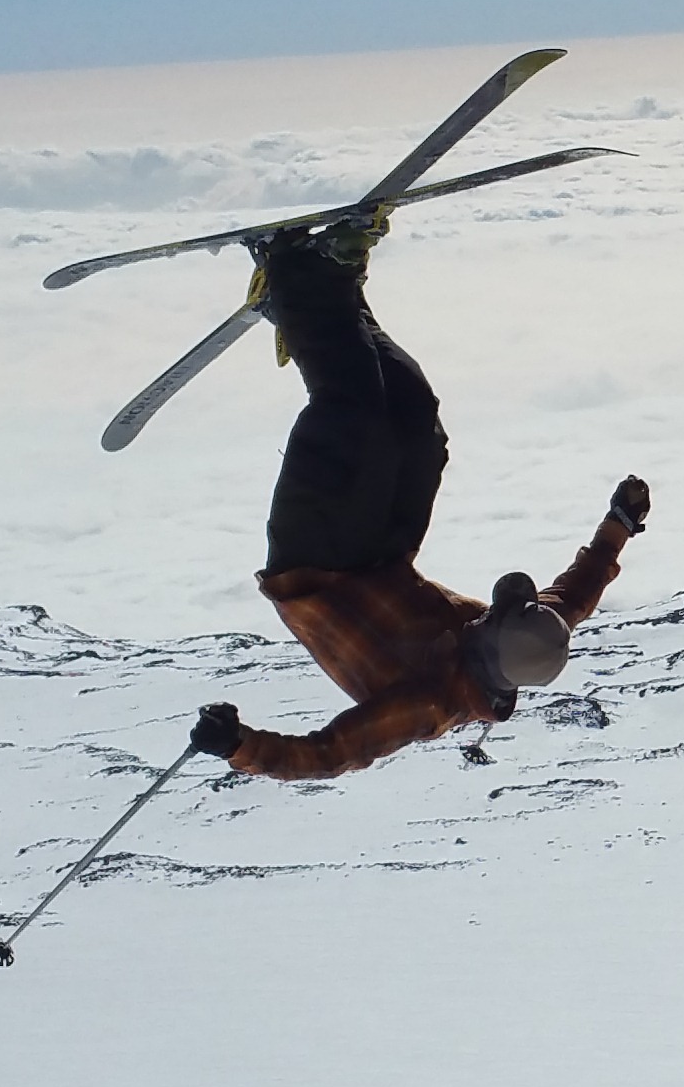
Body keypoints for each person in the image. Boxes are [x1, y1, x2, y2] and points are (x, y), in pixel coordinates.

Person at [185, 216, 648, 781]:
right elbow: (573, 598)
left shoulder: (426, 703)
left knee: (353, 415)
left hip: (316, 564)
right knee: (416, 425)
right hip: (381, 554)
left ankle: (288, 276)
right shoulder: (517, 640)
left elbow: (332, 754)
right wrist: (618, 524)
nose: (486, 614)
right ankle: (335, 288)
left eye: (495, 617)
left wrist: (239, 745)